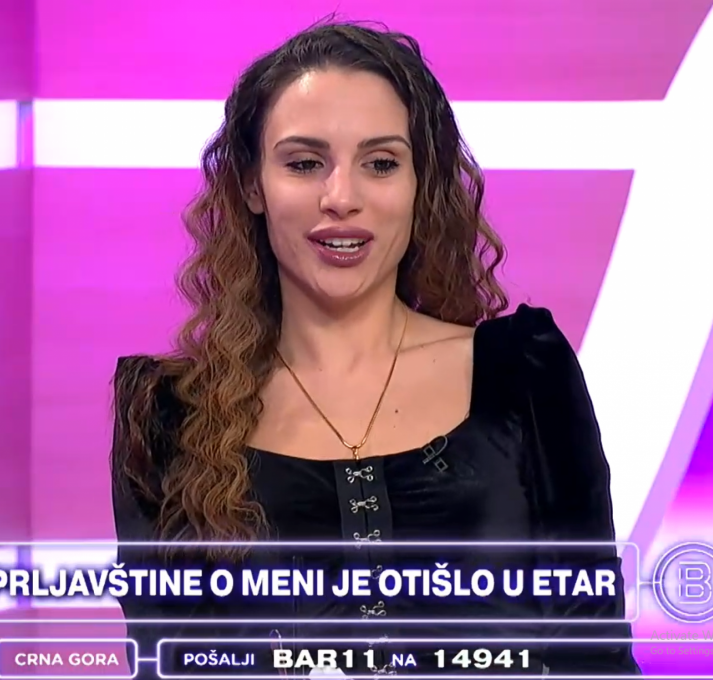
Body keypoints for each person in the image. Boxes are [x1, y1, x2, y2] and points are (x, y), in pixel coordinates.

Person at [111, 20, 640, 678]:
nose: (342, 198)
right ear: (252, 185)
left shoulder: (523, 374)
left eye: (381, 164)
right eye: (304, 164)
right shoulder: (167, 414)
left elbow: (594, 654)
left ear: (420, 183)